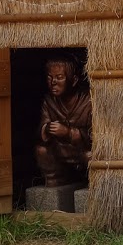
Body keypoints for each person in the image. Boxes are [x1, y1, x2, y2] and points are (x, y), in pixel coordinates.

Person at [34, 57, 91, 186]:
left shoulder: (88, 101)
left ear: (74, 80)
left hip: (81, 151)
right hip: (60, 150)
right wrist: (46, 129)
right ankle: (55, 179)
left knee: (90, 156)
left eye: (59, 77)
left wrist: (69, 133)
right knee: (41, 151)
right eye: (50, 77)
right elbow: (40, 131)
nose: (53, 82)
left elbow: (98, 135)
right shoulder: (49, 101)